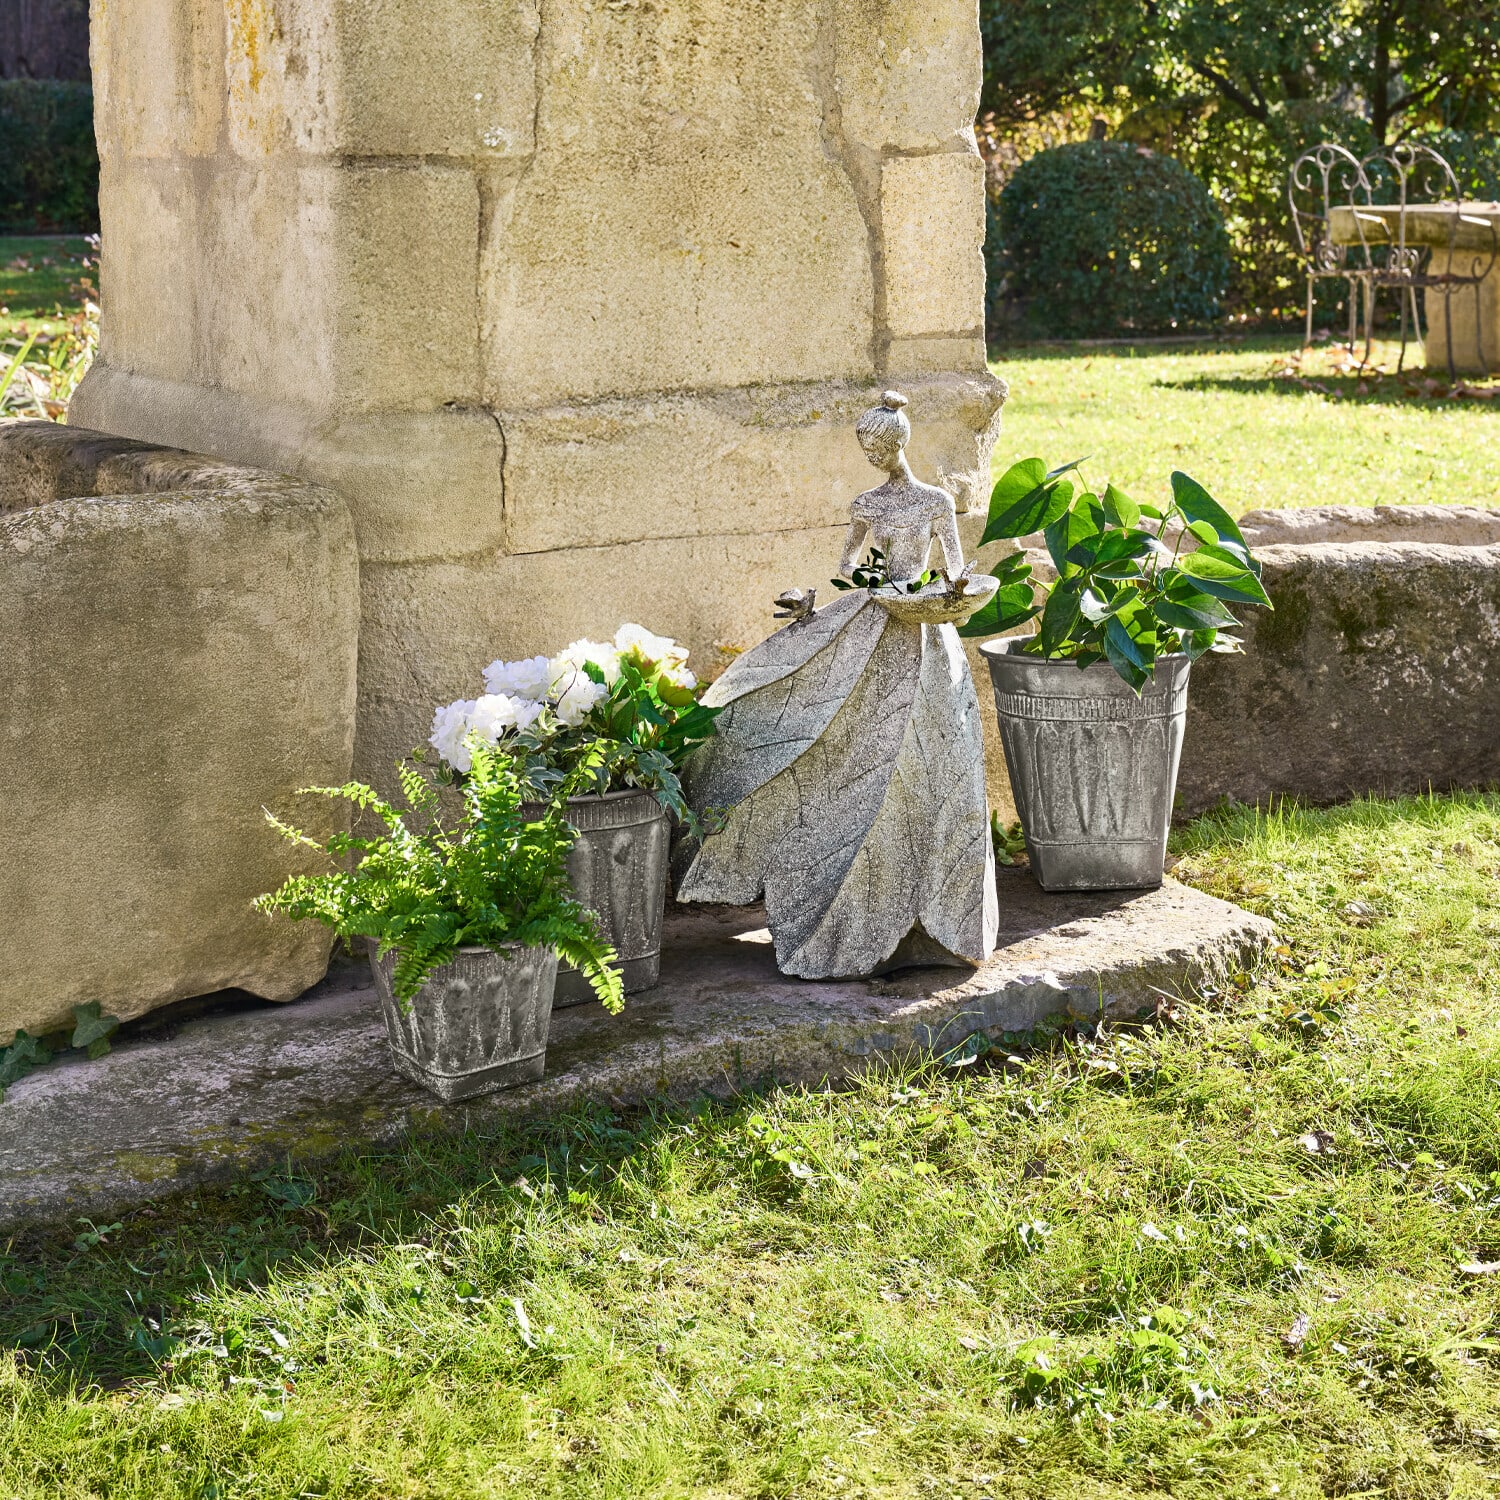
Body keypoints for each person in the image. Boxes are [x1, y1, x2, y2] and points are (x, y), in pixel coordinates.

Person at [674, 392, 999, 979]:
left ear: (897, 441)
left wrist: (951, 590)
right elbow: (848, 564)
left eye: (876, 444)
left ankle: (933, 919)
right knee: (850, 751)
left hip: (924, 629)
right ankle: (843, 913)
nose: (871, 454)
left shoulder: (934, 500)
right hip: (871, 621)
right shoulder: (867, 502)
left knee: (937, 765)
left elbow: (953, 566)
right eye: (863, 446)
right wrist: (851, 587)